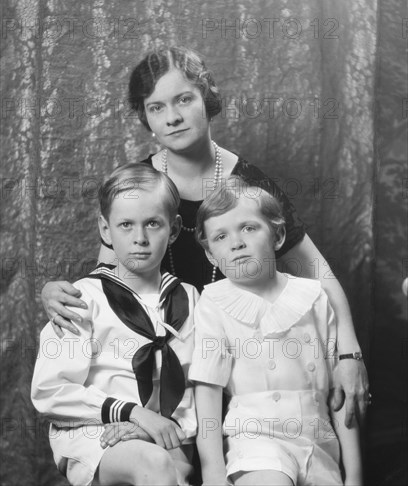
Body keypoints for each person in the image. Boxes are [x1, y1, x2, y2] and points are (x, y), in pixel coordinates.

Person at [40, 46, 368, 426]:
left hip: (243, 363)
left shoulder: (249, 183)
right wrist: (56, 292)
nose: (173, 117)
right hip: (165, 370)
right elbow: (107, 282)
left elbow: (320, 276)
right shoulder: (142, 187)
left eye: (183, 99)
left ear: (206, 98)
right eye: (156, 107)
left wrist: (350, 356)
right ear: (146, 118)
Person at [31, 163, 199, 486]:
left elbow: (200, 386)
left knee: (175, 470)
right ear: (105, 230)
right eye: (125, 225)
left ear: (174, 229)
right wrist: (133, 413)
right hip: (96, 432)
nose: (140, 238)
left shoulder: (190, 299)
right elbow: (49, 392)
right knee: (155, 465)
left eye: (153, 223)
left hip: (165, 431)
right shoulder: (82, 299)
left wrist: (163, 425)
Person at [189, 177, 363, 486]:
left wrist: (355, 475)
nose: (236, 242)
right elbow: (207, 393)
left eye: (249, 228)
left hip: (318, 441)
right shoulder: (214, 303)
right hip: (256, 441)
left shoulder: (314, 296)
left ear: (278, 235)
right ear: (210, 255)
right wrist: (213, 472)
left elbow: (342, 398)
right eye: (220, 237)